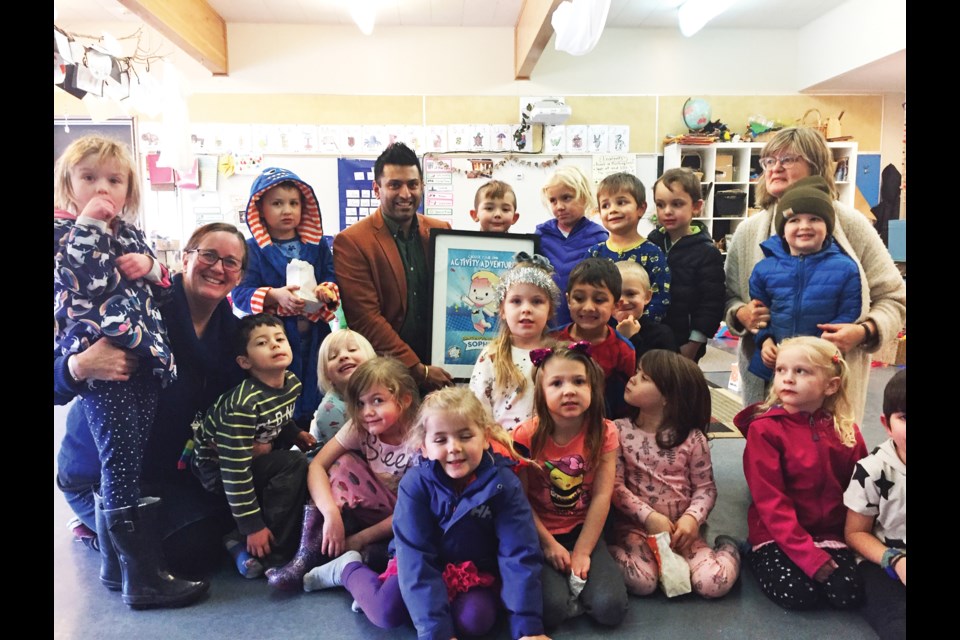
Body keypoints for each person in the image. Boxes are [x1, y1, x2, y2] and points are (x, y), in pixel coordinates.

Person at [53, 134, 207, 609]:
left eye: (114, 180)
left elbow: (158, 295)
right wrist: (89, 226)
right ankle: (142, 580)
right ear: (68, 184)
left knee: (129, 466)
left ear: (130, 190)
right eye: (89, 177)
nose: (102, 188)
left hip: (143, 362)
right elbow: (87, 278)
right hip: (105, 368)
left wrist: (153, 268)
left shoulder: (132, 233)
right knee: (119, 469)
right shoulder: (66, 234)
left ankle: (115, 566)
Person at [56, 222, 246, 599]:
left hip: (169, 472)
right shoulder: (141, 307)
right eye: (208, 255)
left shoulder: (231, 332)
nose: (218, 268)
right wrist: (79, 365)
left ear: (241, 275)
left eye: (231, 262)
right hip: (98, 477)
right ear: (184, 258)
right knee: (186, 552)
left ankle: (119, 540)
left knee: (229, 522)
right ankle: (100, 534)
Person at [302, 388, 549, 640]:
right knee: (386, 612)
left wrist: (528, 629)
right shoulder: (415, 485)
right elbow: (416, 558)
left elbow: (519, 554)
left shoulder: (503, 484)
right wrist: (437, 632)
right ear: (424, 447)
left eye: (465, 436)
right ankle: (348, 568)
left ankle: (428, 608)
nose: (454, 448)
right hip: (418, 563)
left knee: (476, 620)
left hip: (471, 569)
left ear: (485, 438)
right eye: (441, 440)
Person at [724, 127, 906, 424]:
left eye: (787, 158)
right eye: (769, 160)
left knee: (830, 459)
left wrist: (864, 331)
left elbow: (894, 297)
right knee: (768, 458)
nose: (775, 167)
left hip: (833, 382)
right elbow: (730, 295)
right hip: (769, 380)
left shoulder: (850, 224)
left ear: (816, 165)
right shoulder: (748, 231)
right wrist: (740, 313)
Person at [734, 336, 867, 610]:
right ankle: (748, 554)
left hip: (831, 534)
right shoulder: (765, 431)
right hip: (777, 534)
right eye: (781, 370)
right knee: (799, 595)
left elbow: (863, 492)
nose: (787, 379)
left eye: (801, 371)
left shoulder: (846, 431)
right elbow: (771, 503)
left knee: (848, 594)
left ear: (831, 385)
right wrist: (809, 556)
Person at [266, 357, 419, 591]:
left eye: (377, 401)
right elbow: (317, 466)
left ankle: (369, 548)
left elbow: (415, 509)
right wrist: (330, 514)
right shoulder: (361, 426)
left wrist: (361, 538)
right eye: (360, 404)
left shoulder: (421, 437)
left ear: (405, 400)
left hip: (407, 518)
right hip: (374, 508)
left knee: (416, 512)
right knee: (342, 463)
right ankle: (308, 553)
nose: (367, 412)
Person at [191, 314, 316, 578]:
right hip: (217, 472)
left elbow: (278, 415)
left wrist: (294, 433)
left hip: (245, 461)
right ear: (244, 361)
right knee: (292, 465)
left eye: (280, 339)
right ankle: (276, 551)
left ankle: (238, 540)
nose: (274, 345)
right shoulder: (244, 404)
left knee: (299, 462)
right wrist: (252, 526)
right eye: (262, 343)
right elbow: (233, 472)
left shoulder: (292, 383)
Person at [609, 350, 741, 598]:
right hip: (636, 529)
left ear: (668, 397)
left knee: (713, 584)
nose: (633, 378)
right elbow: (615, 488)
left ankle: (729, 549)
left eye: (645, 377)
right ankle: (604, 553)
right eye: (637, 371)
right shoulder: (617, 430)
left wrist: (691, 519)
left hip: (683, 533)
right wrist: (648, 517)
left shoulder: (692, 439)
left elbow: (705, 488)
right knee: (642, 583)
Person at [513, 343, 628, 630]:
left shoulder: (605, 432)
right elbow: (520, 501)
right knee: (549, 611)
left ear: (593, 387)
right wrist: (549, 545)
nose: (569, 390)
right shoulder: (525, 436)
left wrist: (583, 550)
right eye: (556, 383)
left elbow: (603, 494)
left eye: (579, 381)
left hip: (583, 529)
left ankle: (579, 590)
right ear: (541, 391)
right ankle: (568, 595)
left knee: (610, 609)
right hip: (541, 533)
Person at [333, 143, 454, 392]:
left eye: (413, 184)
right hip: (387, 375)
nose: (406, 194)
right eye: (394, 185)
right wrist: (419, 370)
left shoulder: (440, 230)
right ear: (376, 189)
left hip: (442, 369)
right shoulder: (352, 241)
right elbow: (366, 320)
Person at [231, 167, 339, 430]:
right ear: (260, 210)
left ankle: (313, 438)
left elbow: (331, 276)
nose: (287, 210)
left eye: (294, 203)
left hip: (315, 334)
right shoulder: (251, 249)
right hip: (275, 339)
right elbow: (240, 294)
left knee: (316, 387)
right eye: (277, 203)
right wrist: (274, 295)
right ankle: (279, 436)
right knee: (277, 392)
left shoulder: (317, 245)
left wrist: (326, 291)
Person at [747, 176, 862, 384]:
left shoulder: (846, 269)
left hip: (820, 366)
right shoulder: (764, 270)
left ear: (828, 226)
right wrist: (765, 341)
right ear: (783, 230)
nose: (804, 226)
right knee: (776, 413)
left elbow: (848, 314)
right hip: (778, 366)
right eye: (794, 220)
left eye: (815, 219)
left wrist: (819, 348)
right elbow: (760, 317)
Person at [844, 369, 906, 640]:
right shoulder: (873, 470)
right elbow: (855, 533)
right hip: (883, 561)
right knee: (896, 623)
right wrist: (895, 561)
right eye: (905, 418)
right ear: (887, 423)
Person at [469, 252, 560, 430]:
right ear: (502, 310)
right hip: (502, 448)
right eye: (516, 301)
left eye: (537, 301)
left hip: (546, 448)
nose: (526, 309)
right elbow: (477, 408)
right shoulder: (491, 356)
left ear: (549, 310)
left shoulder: (558, 355)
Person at [647, 168, 724, 361]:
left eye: (677, 204)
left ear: (696, 206)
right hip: (651, 336)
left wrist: (693, 344)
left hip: (684, 341)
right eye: (660, 204)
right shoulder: (652, 241)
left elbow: (712, 303)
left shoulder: (707, 252)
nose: (667, 211)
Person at [550, 258, 635, 419]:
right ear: (568, 300)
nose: (588, 307)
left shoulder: (624, 350)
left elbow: (624, 406)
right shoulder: (551, 340)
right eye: (579, 298)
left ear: (616, 305)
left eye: (599, 300)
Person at [584, 172, 671, 324]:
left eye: (621, 202)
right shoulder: (594, 253)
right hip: (602, 336)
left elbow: (660, 299)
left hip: (642, 336)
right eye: (605, 205)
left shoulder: (652, 253)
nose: (612, 210)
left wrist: (633, 328)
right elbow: (587, 295)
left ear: (641, 208)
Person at [535, 166, 608, 327]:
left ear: (584, 197)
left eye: (566, 198)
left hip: (585, 320)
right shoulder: (541, 235)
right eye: (553, 200)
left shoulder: (599, 237)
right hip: (548, 321)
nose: (559, 206)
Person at [309, 329, 377, 447]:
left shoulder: (385, 390)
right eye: (333, 356)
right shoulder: (330, 410)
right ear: (327, 375)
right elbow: (342, 453)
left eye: (352, 350)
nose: (343, 356)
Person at [612, 261, 677, 364]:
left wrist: (630, 339)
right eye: (616, 294)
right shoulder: (601, 330)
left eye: (630, 294)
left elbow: (659, 375)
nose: (622, 301)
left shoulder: (662, 335)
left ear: (647, 297)